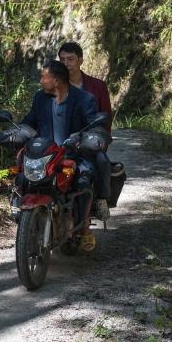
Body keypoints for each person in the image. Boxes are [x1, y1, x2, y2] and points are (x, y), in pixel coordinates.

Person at [16, 60, 99, 247]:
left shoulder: (85, 100)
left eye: (43, 77)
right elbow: (29, 121)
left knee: (83, 180)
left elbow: (94, 125)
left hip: (73, 154)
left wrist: (85, 139)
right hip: (46, 154)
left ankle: (84, 226)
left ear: (56, 81)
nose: (40, 81)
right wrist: (16, 132)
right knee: (21, 177)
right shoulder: (40, 98)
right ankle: (20, 213)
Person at [58, 41, 113, 221]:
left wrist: (100, 140)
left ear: (80, 60)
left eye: (71, 59)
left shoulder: (97, 86)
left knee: (102, 161)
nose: (66, 63)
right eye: (62, 59)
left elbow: (105, 118)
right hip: (62, 140)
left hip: (90, 138)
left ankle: (101, 200)